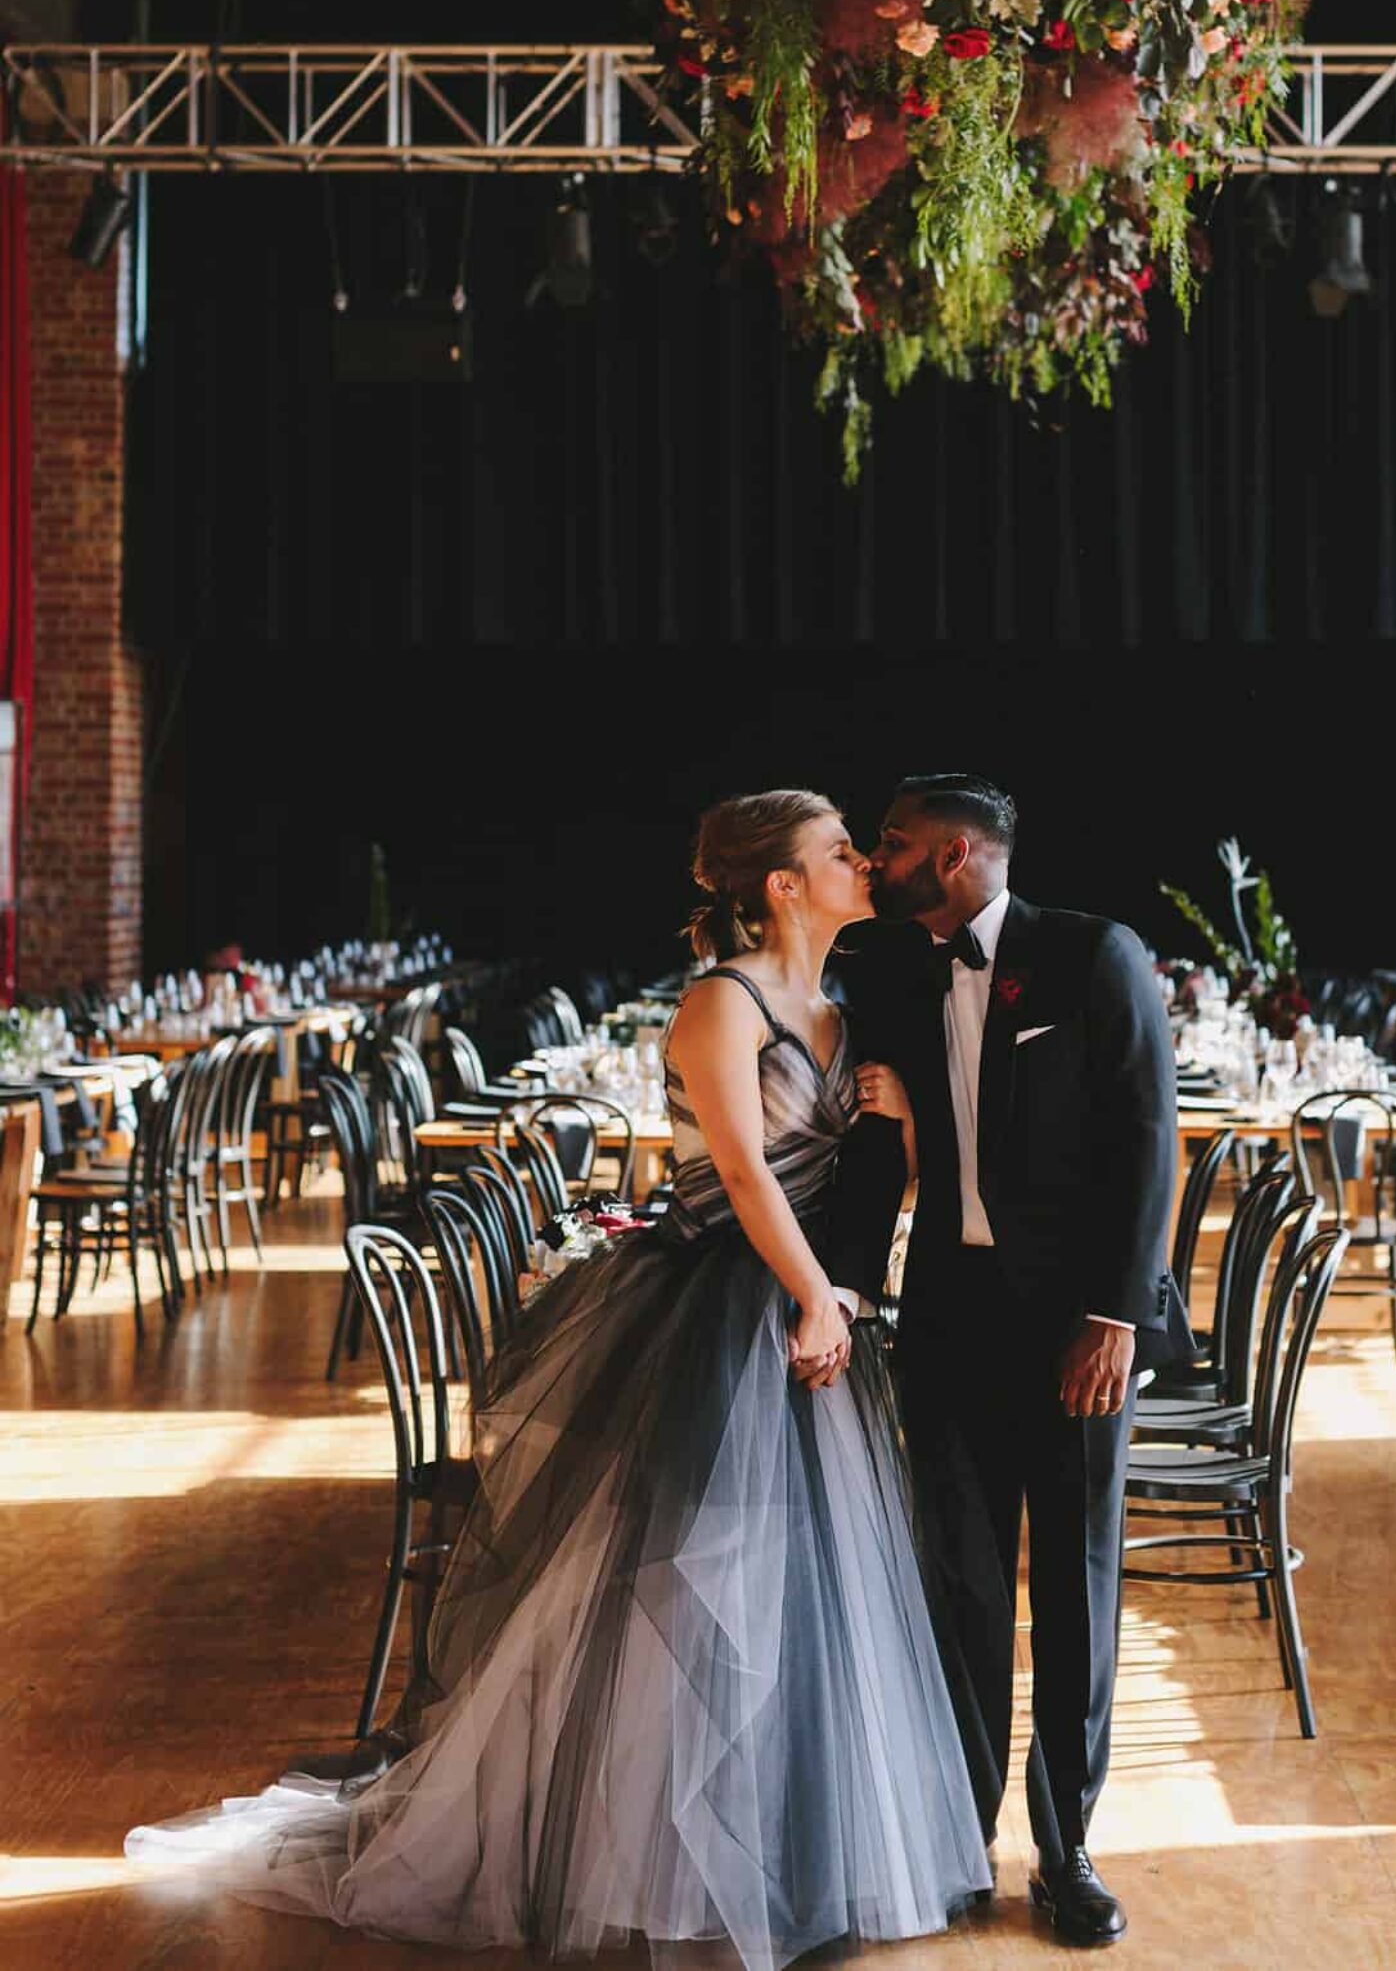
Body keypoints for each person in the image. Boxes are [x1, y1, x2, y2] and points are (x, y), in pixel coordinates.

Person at [127, 790, 990, 1971]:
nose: (860, 863)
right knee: (694, 1596)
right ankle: (659, 1865)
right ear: (783, 884)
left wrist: (878, 1150)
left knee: (801, 1593)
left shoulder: (836, 1007)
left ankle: (788, 1855)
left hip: (809, 1311)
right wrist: (811, 1296)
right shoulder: (717, 1004)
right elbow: (741, 1176)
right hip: (727, 1312)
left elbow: (847, 1172)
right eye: (839, 850)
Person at [830, 773, 1185, 1951]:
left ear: (959, 855)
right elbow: (882, 1151)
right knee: (963, 1587)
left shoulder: (1093, 955)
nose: (874, 859)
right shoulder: (885, 968)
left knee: (1075, 1586)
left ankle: (1068, 1846)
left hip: (1077, 1326)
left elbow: (1148, 1138)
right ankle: (958, 1833)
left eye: (892, 843)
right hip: (948, 1318)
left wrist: (1117, 1316)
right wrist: (841, 1283)